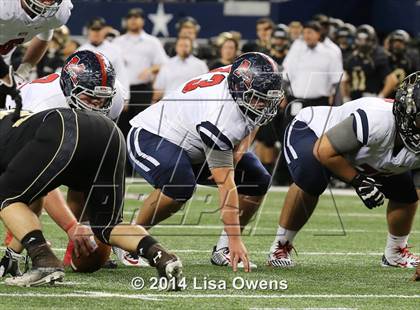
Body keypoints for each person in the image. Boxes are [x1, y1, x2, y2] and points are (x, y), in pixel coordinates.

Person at [117, 52, 283, 271]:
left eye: (267, 99)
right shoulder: (220, 114)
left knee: (258, 179)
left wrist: (242, 147)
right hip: (154, 135)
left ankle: (222, 249)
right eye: (258, 99)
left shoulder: (240, 83)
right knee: (180, 185)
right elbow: (226, 184)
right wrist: (237, 240)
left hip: (195, 141)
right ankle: (131, 238)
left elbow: (254, 119)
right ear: (238, 88)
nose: (263, 105)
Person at [0, 106, 182, 287]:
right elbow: (33, 198)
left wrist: (67, 229)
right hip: (109, 131)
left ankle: (44, 261)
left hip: (64, 127)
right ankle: (161, 256)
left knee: (5, 196)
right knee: (108, 225)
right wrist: (12, 254)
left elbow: (20, 198)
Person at [267, 72, 420, 269]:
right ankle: (281, 246)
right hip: (314, 132)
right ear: (407, 112)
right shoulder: (376, 119)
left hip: (367, 154)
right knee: (312, 179)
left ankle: (396, 253)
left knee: (405, 193)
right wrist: (359, 182)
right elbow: (323, 150)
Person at [0, 50, 127, 276]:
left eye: (101, 99)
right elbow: (45, 184)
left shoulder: (114, 97)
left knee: (88, 180)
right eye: (88, 98)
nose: (96, 104)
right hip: (21, 130)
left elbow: (101, 154)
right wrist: (71, 226)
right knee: (24, 194)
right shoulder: (42, 102)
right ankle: (19, 247)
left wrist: (104, 221)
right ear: (70, 89)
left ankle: (82, 242)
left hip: (69, 130)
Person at [112, 8, 167, 148]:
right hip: (122, 88)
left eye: (137, 17)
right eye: (130, 17)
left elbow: (164, 63)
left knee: (141, 126)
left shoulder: (152, 42)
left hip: (143, 89)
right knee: (121, 126)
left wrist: (150, 69)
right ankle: (123, 160)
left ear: (142, 20)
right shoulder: (117, 42)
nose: (133, 20)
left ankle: (140, 159)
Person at [0, 0, 73, 80]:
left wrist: (22, 73)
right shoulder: (4, 6)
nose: (47, 3)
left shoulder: (60, 12)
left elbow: (45, 32)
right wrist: (4, 75)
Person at [78, 17, 129, 101]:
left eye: (99, 29)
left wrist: (125, 96)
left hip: (110, 93)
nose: (96, 32)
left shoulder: (114, 49)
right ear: (88, 31)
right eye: (93, 29)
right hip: (87, 94)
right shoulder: (81, 51)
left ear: (104, 31)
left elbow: (121, 73)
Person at [343, 25, 398, 100]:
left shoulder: (378, 55)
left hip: (370, 97)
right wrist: (345, 97)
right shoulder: (351, 57)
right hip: (354, 99)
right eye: (360, 40)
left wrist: (380, 97)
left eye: (365, 40)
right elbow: (344, 80)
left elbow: (392, 80)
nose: (362, 43)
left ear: (371, 39)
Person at [153, 36, 208, 103]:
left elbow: (206, 88)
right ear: (176, 47)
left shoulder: (200, 65)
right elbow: (159, 88)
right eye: (181, 45)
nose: (183, 48)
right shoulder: (167, 64)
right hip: (170, 104)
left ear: (191, 48)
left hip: (193, 104)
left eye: (186, 46)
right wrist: (153, 105)